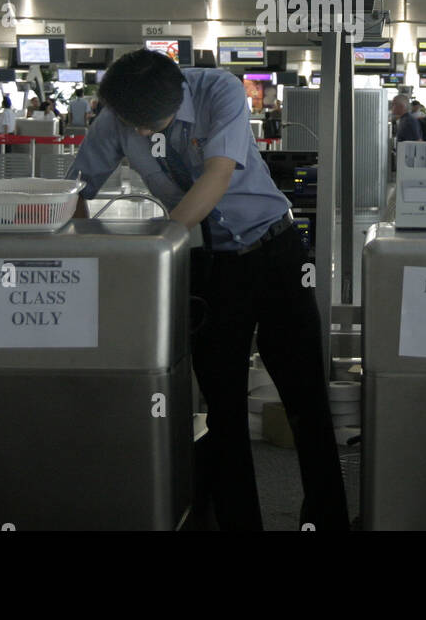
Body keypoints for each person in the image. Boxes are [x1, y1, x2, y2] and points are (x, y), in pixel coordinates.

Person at [66, 49, 348, 532]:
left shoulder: (219, 90)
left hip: (274, 251)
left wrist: (162, 244)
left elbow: (218, 174)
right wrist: (91, 252)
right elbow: (75, 190)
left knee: (306, 400)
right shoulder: (121, 115)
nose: (136, 134)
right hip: (209, 266)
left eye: (146, 125)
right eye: (128, 124)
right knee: (224, 411)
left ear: (176, 96)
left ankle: (329, 521)